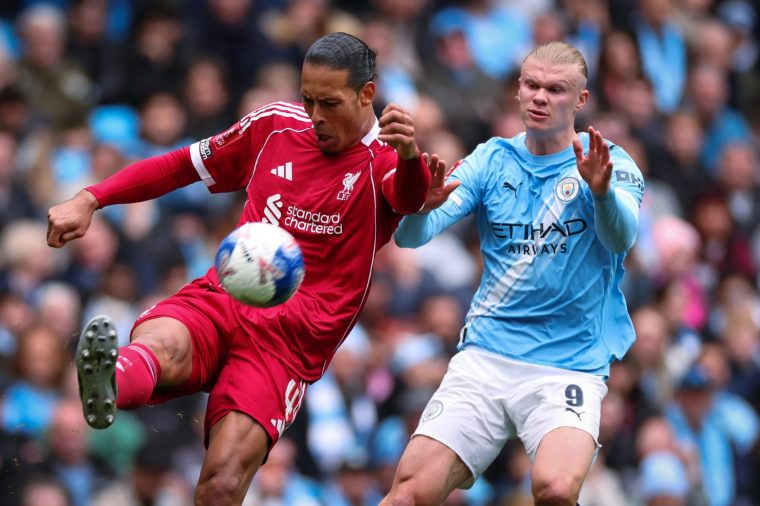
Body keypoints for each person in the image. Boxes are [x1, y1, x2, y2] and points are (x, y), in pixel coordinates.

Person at [46, 32, 431, 505]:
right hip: (225, 297)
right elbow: (179, 166)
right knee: (160, 344)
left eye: (329, 103)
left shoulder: (388, 157)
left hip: (288, 343)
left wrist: (413, 155)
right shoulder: (273, 126)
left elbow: (410, 198)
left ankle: (118, 380)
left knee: (222, 484)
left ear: (366, 94)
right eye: (307, 98)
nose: (315, 116)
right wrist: (91, 197)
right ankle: (111, 381)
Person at [382, 41, 645, 506]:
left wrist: (601, 193)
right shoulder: (490, 159)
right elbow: (411, 238)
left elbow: (621, 238)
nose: (540, 97)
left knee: (556, 488)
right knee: (408, 493)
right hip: (486, 356)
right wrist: (418, 208)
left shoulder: (610, 162)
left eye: (556, 89)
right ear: (518, 92)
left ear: (581, 100)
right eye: (531, 85)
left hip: (568, 363)